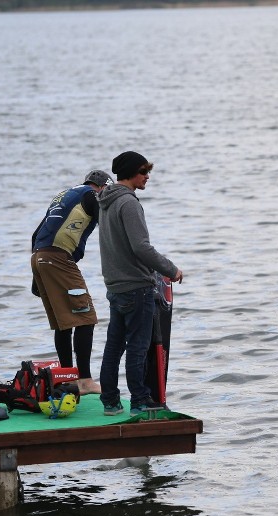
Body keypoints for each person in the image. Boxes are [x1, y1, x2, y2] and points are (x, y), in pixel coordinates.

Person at [97, 151, 183, 416]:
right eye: (144, 172)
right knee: (138, 347)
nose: (147, 177)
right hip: (136, 287)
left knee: (114, 346)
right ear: (132, 173)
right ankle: (140, 402)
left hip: (115, 286)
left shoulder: (105, 201)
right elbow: (141, 248)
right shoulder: (129, 203)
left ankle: (110, 402)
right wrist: (171, 269)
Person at [31, 169, 113, 396]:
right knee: (86, 318)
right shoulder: (92, 196)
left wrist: (35, 276)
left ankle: (66, 378)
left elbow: (35, 233)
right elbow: (109, 226)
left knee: (63, 323)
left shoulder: (63, 196)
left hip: (39, 257)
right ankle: (85, 381)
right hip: (58, 258)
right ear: (103, 187)